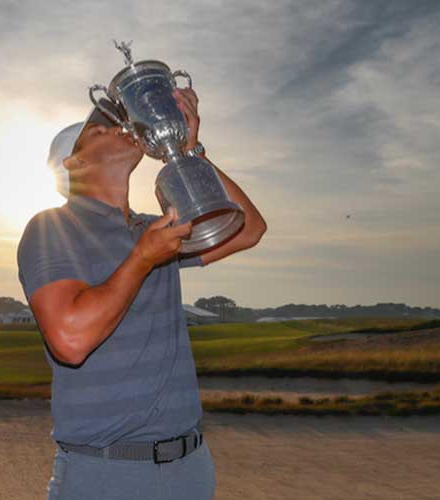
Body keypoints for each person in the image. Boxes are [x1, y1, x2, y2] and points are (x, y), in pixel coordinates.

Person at [17, 88, 266, 500]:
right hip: (105, 475)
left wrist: (187, 151)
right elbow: (70, 340)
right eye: (101, 128)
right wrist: (143, 259)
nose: (123, 127)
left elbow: (249, 228)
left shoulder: (154, 229)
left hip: (190, 470)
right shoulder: (51, 228)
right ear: (73, 162)